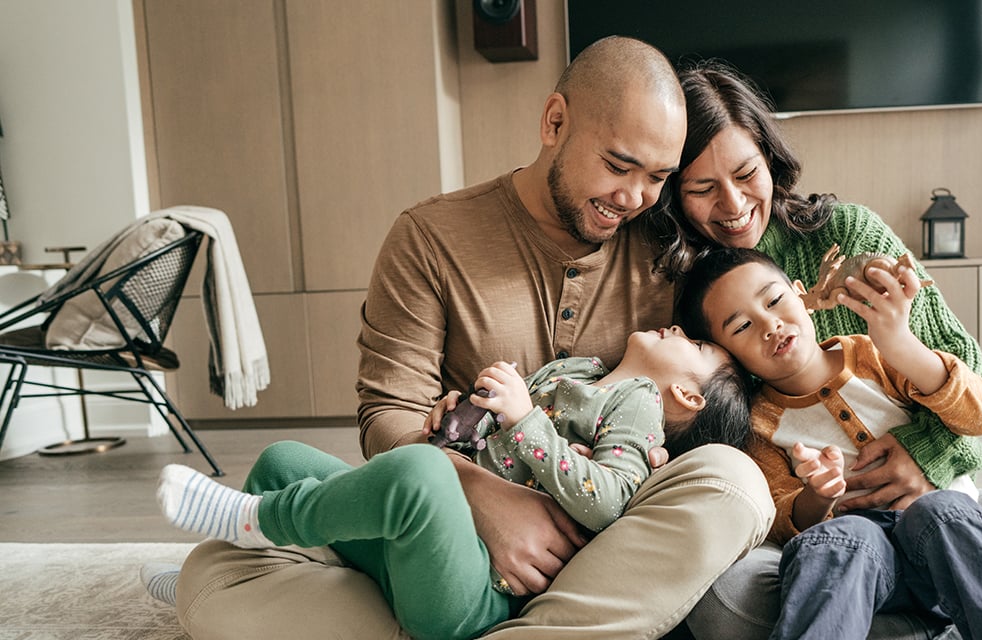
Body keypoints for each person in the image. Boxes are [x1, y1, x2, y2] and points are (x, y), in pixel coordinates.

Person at [167, 38, 774, 640]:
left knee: (733, 482)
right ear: (554, 121)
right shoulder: (430, 237)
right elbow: (388, 414)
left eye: (658, 178)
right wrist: (481, 495)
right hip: (448, 535)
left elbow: (734, 370)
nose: (634, 198)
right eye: (618, 166)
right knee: (257, 508)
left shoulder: (667, 250)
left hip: (589, 563)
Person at [654, 59, 982, 640]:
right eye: (702, 189)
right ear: (673, 195)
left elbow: (971, 382)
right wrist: (813, 498)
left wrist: (919, 454)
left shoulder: (850, 244)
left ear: (769, 158)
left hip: (941, 508)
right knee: (728, 593)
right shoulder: (680, 291)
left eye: (745, 174)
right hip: (834, 538)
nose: (732, 204)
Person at [154, 324, 751, 639]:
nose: (677, 327)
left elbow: (609, 500)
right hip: (426, 550)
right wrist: (454, 424)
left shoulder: (637, 405)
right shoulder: (577, 372)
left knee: (417, 474)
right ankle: (204, 577)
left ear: (688, 393)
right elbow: (488, 451)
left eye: (695, 344)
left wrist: (525, 420)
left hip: (476, 597)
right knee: (284, 459)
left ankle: (253, 524)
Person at [676, 247, 982, 640]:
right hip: (863, 569)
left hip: (949, 549)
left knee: (943, 510)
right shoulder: (759, 425)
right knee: (835, 541)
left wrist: (901, 345)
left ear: (801, 296)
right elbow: (780, 515)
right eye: (741, 326)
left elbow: (979, 416)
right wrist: (817, 495)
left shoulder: (874, 354)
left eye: (774, 301)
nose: (770, 325)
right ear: (728, 355)